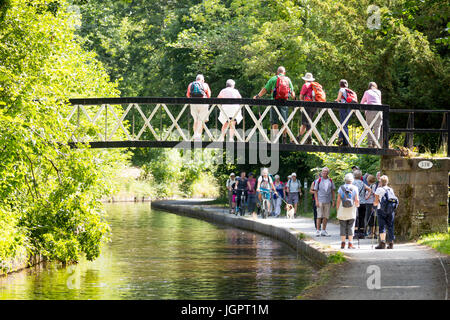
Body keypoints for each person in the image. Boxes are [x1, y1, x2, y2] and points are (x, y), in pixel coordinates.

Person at [253, 66, 296, 143]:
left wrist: (258, 96)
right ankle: (284, 139)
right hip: (284, 102)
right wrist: (295, 99)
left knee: (274, 121)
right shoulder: (288, 79)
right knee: (284, 121)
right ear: (284, 73)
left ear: (277, 72)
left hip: (274, 102)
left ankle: (275, 140)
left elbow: (265, 89)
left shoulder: (273, 79)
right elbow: (292, 92)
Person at [299, 72, 326, 143]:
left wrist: (301, 104)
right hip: (315, 106)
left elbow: (301, 96)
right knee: (308, 121)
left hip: (307, 105)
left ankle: (305, 138)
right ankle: (303, 138)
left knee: (305, 122)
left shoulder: (305, 85)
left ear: (305, 79)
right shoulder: (315, 86)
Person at [373, 175, 398, 249]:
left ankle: (382, 243)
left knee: (382, 226)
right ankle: (391, 243)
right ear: (387, 182)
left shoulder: (378, 190)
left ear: (380, 182)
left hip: (381, 210)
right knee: (390, 226)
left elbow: (376, 202)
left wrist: (374, 205)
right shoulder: (391, 189)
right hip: (391, 210)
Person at [336, 173, 360, 249]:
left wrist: (337, 209)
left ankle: (343, 243)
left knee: (342, 226)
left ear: (345, 180)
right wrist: (357, 205)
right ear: (352, 180)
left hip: (342, 209)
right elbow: (356, 200)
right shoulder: (355, 188)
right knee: (351, 226)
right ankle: (350, 243)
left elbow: (338, 200)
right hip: (351, 210)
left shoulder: (341, 188)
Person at [186, 74, 211, 141]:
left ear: (196, 79)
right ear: (202, 80)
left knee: (196, 120)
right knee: (201, 120)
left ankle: (195, 135)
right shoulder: (205, 85)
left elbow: (188, 94)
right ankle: (198, 136)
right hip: (203, 103)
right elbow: (209, 95)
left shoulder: (191, 84)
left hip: (193, 103)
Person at [335, 79, 358, 146]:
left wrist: (335, 101)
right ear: (347, 85)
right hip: (350, 109)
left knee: (343, 124)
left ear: (340, 85)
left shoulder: (341, 90)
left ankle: (343, 139)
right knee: (345, 124)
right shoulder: (351, 91)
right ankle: (344, 141)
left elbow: (338, 99)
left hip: (343, 108)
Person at [313, 167, 336, 237]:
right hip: (320, 200)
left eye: (326, 172)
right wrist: (316, 201)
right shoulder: (318, 180)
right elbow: (315, 191)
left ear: (328, 173)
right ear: (321, 172)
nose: (324, 173)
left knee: (326, 216)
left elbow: (333, 191)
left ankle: (323, 230)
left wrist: (334, 200)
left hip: (328, 201)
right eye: (323, 172)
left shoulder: (330, 181)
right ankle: (317, 230)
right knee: (319, 216)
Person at [361, 82, 382, 148]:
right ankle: (375, 143)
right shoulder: (379, 92)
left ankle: (370, 144)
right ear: (375, 86)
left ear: (369, 87)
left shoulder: (367, 92)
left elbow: (362, 103)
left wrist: (366, 103)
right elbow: (379, 101)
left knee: (369, 127)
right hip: (379, 110)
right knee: (377, 127)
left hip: (370, 110)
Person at [352, 169, 371, 239]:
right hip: (363, 203)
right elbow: (369, 189)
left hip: (355, 203)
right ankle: (362, 233)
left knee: (355, 217)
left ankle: (356, 232)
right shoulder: (362, 183)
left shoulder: (352, 183)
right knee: (362, 218)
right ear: (360, 176)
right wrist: (366, 197)